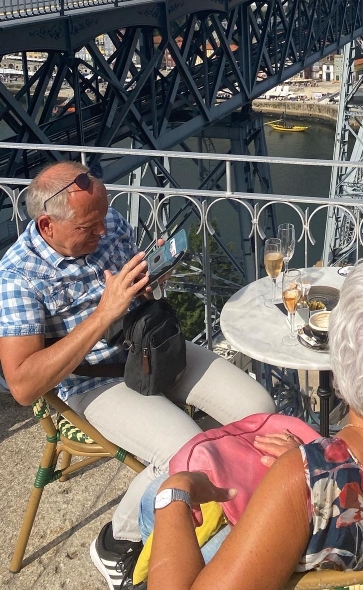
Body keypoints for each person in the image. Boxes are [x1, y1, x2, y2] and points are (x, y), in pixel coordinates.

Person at [0, 161, 274, 590]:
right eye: (88, 228)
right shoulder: (18, 276)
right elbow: (22, 385)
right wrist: (102, 314)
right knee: (185, 451)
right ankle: (116, 539)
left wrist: (148, 282)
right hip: (94, 377)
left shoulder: (105, 220)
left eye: (103, 219)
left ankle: (234, 488)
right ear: (47, 225)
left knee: (259, 408)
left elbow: (133, 290)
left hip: (150, 347)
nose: (103, 231)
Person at [144, 257, 363, 590]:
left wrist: (175, 491)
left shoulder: (302, 480)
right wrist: (315, 458)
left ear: (340, 356)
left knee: (151, 503)